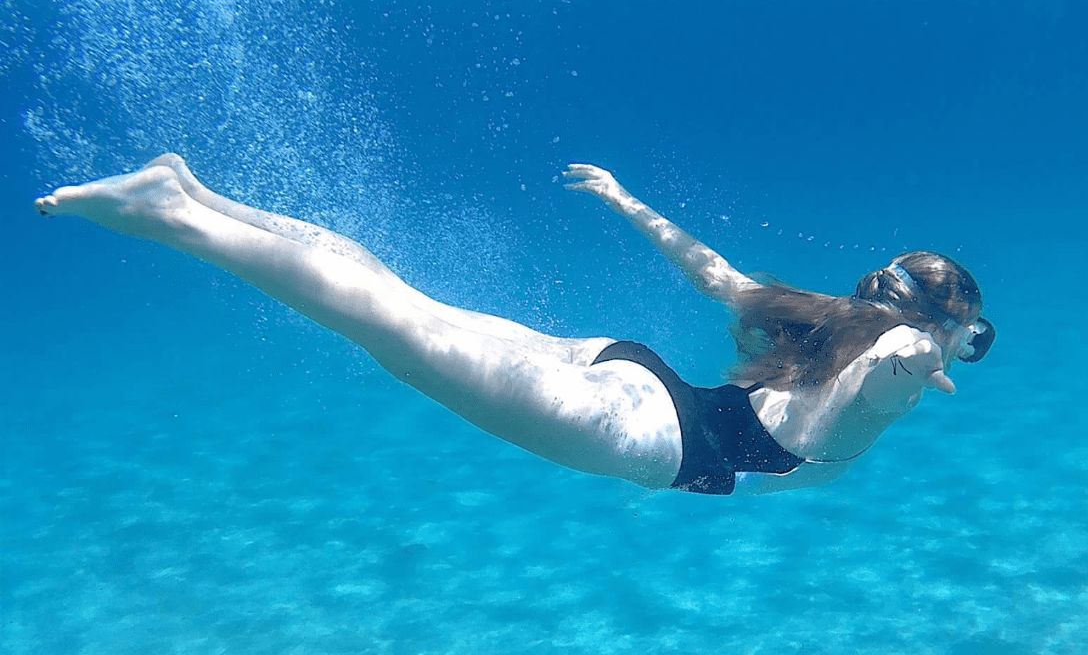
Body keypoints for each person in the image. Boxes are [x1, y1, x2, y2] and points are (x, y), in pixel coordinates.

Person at [35, 155, 995, 496]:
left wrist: (623, 200)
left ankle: (204, 196)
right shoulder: (890, 371)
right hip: (644, 434)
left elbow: (710, 271)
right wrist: (924, 352)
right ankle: (174, 215)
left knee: (406, 303)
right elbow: (894, 367)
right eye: (970, 334)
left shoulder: (827, 327)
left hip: (633, 372)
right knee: (397, 332)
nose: (964, 349)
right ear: (943, 327)